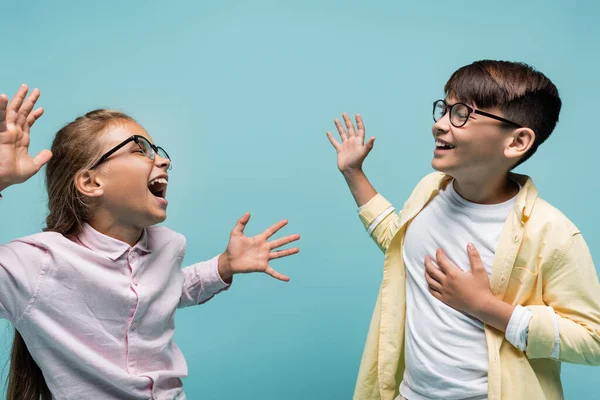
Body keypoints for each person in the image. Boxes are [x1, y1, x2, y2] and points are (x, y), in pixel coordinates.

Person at [0, 84, 300, 400]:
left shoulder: (168, 247)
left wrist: (223, 266)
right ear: (91, 182)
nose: (163, 161)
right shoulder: (38, 264)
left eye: (158, 150)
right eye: (139, 149)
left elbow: (165, 289)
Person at [326, 60, 600, 400]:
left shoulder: (552, 233)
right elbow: (402, 245)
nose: (439, 125)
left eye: (462, 114)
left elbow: (594, 340)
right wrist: (354, 174)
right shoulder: (430, 190)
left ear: (517, 141)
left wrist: (485, 306)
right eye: (444, 108)